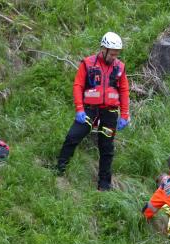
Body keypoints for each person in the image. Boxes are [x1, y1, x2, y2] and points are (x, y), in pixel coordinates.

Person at [56, 32, 130, 191]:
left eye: (116, 54)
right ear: (103, 49)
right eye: (112, 54)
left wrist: (124, 114)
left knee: (107, 148)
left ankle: (104, 184)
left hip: (110, 112)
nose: (114, 57)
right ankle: (59, 169)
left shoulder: (119, 67)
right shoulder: (88, 63)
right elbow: (78, 86)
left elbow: (124, 90)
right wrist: (79, 108)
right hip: (89, 110)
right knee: (72, 136)